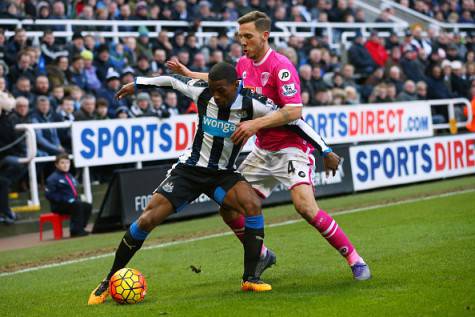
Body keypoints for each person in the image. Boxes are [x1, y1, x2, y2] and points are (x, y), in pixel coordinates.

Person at [88, 62, 335, 305]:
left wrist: (325, 150)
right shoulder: (202, 91)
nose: (216, 96)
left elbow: (292, 119)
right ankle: (107, 281)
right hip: (190, 171)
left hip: (223, 175)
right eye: (213, 90)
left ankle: (251, 277)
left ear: (235, 85)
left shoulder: (253, 103)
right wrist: (138, 84)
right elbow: (172, 81)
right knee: (147, 219)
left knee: (251, 206)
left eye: (222, 91)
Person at [167, 10, 370, 281]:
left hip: (291, 148)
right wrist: (189, 73)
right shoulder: (242, 64)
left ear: (265, 36)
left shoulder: (281, 67)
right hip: (263, 151)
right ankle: (262, 253)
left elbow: (294, 112)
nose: (243, 42)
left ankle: (355, 259)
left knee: (306, 208)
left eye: (248, 36)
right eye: (240, 37)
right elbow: (221, 81)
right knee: (228, 209)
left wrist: (255, 125)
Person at [45, 153, 91, 237]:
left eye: (67, 162)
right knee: (77, 205)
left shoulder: (69, 176)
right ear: (56, 165)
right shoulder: (52, 178)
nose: (65, 165)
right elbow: (49, 195)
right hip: (59, 205)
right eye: (62, 163)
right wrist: (65, 199)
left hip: (72, 203)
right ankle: (75, 231)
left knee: (87, 206)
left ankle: (80, 228)